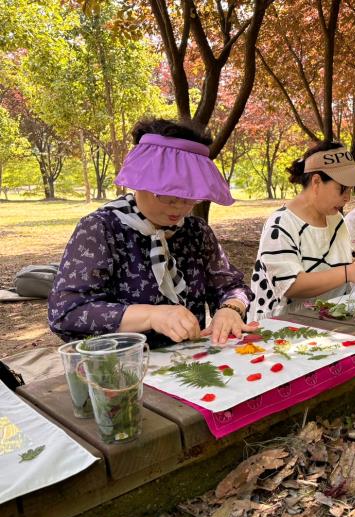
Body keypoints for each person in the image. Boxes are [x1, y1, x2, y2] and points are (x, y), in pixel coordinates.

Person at [48, 119, 255, 348]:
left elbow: (231, 286)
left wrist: (230, 309)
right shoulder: (101, 229)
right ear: (140, 180)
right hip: (122, 370)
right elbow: (67, 312)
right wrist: (151, 315)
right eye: (167, 195)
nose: (180, 207)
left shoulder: (196, 231)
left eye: (190, 196)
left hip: (192, 365)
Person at [248, 141, 355, 321]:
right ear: (316, 181)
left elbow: (341, 264)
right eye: (342, 189)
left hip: (327, 317)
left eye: (350, 190)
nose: (347, 198)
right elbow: (290, 285)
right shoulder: (281, 224)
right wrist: (348, 273)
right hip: (282, 324)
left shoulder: (335, 219)